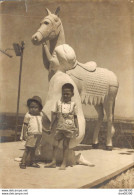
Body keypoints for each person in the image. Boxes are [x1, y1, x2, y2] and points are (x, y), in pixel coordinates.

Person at [44, 83, 79, 170]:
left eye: (68, 94)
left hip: (69, 128)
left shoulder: (74, 104)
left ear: (72, 94)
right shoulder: (59, 103)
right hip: (59, 128)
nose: (65, 95)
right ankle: (53, 161)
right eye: (64, 93)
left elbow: (75, 117)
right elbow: (55, 115)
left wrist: (77, 128)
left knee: (65, 145)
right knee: (55, 144)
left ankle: (64, 163)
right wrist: (51, 126)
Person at [19, 96, 47, 169]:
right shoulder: (28, 115)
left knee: (34, 149)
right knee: (28, 149)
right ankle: (23, 162)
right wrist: (24, 134)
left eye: (35, 107)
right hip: (31, 135)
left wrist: (46, 130)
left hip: (39, 135)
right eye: (31, 107)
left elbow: (41, 126)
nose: (33, 109)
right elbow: (25, 125)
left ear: (40, 108)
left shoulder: (40, 115)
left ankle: (32, 162)